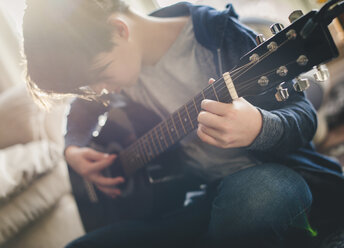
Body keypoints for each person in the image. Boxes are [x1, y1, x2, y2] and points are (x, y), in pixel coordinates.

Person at [23, 0, 344, 247]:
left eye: (100, 76)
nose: (100, 91)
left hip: (269, 183)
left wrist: (259, 126)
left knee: (259, 200)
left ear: (120, 29)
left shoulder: (217, 35)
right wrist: (73, 147)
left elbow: (304, 118)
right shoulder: (117, 69)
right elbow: (80, 111)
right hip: (195, 200)